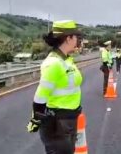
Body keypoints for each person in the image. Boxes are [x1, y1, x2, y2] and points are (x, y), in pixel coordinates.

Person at [27, 20, 83, 154]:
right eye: (76, 37)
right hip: (57, 124)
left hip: (68, 120)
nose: (78, 40)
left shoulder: (67, 60)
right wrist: (36, 119)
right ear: (68, 38)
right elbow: (40, 97)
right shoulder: (53, 64)